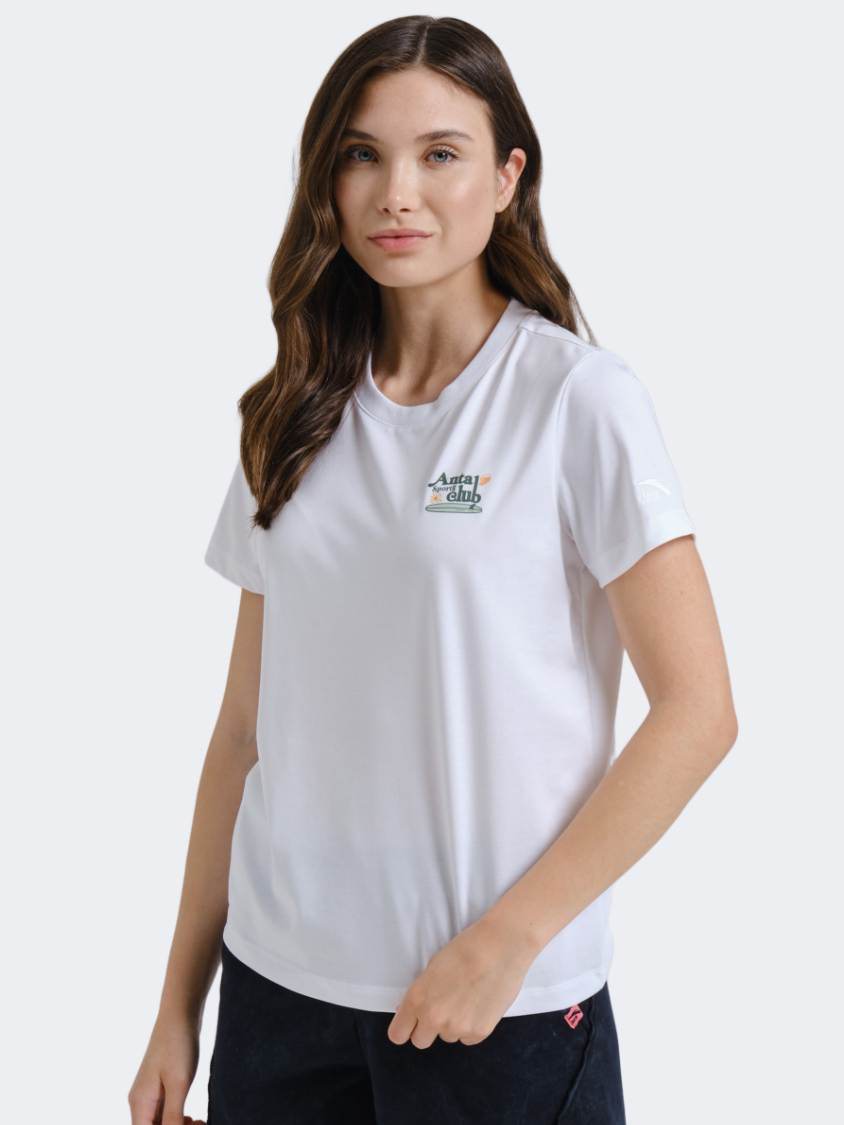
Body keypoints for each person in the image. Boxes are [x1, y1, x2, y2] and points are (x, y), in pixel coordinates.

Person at [128, 15, 738, 1125]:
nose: (395, 193)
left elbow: (698, 713)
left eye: (440, 153)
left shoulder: (577, 401)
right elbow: (243, 730)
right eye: (362, 154)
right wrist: (180, 1001)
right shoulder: (292, 415)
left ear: (508, 178)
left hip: (487, 1007)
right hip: (278, 995)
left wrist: (507, 941)